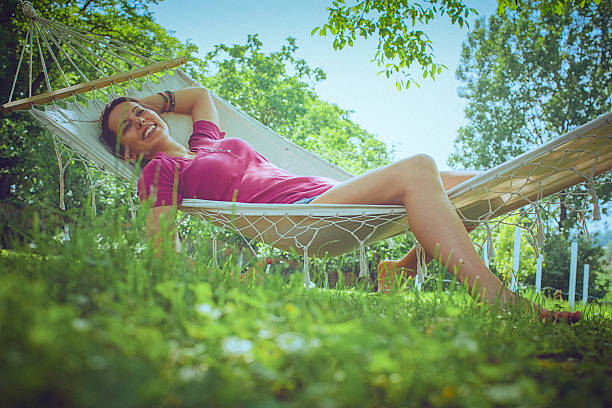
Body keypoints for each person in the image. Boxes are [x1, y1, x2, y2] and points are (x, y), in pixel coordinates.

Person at [99, 87, 580, 323]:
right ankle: (502, 302)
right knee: (419, 167)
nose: (140, 120)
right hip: (303, 217)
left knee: (489, 187)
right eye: (127, 126)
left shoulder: (204, 141)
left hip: (331, 194)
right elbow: (161, 250)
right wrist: (223, 282)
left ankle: (402, 267)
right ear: (125, 151)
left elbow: (200, 96)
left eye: (139, 111)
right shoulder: (161, 172)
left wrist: (147, 102)